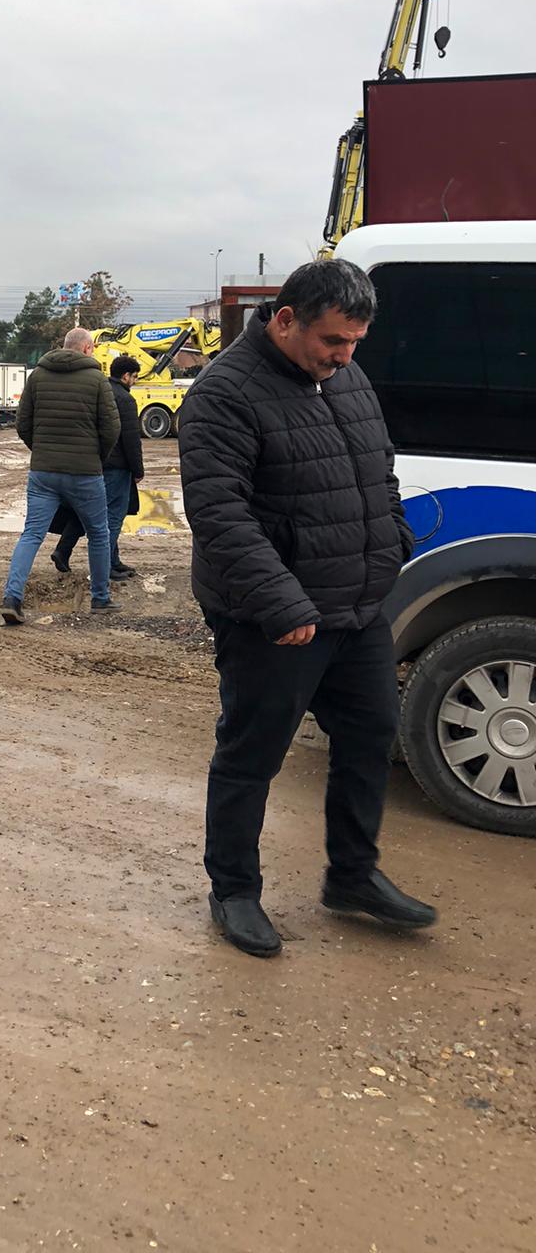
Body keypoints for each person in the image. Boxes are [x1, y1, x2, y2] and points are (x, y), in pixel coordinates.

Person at [177, 259, 437, 959]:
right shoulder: (223, 393)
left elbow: (377, 470)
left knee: (370, 734)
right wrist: (281, 602)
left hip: (355, 606)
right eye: (333, 342)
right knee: (252, 753)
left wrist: (392, 546)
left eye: (355, 342)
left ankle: (352, 876)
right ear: (285, 320)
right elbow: (218, 513)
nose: (345, 357)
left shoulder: (345, 377)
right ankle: (233, 890)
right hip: (273, 620)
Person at [0, 326, 121, 624]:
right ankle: (100, 598)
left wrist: (39, 449)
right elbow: (111, 428)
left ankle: (12, 597)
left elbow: (22, 423)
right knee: (98, 534)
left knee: (32, 534)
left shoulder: (38, 376)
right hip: (85, 472)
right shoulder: (96, 379)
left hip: (43, 472)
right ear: (87, 349)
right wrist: (97, 457)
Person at [51, 353, 145, 579]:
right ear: (125, 376)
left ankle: (66, 551)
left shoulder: (98, 391)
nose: (135, 381)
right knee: (113, 516)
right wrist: (138, 470)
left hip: (93, 463)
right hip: (117, 467)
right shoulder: (125, 399)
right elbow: (131, 438)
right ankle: (106, 567)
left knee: (87, 510)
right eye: (134, 377)